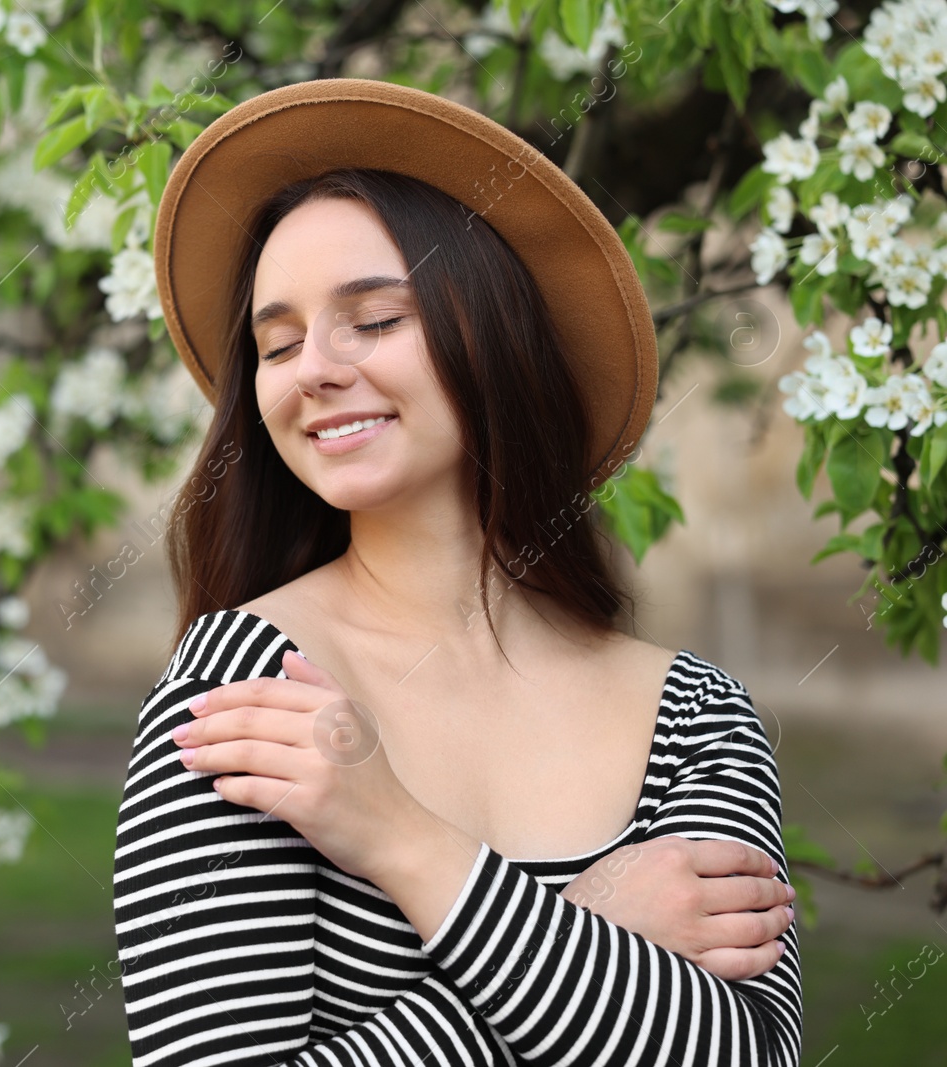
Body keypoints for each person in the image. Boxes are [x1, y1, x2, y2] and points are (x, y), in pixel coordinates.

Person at [112, 79, 802, 1065]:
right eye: (277, 341)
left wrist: (406, 842)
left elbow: (741, 1055)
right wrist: (588, 915)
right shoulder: (252, 691)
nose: (313, 366)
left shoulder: (696, 718)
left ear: (495, 333)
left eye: (375, 319)